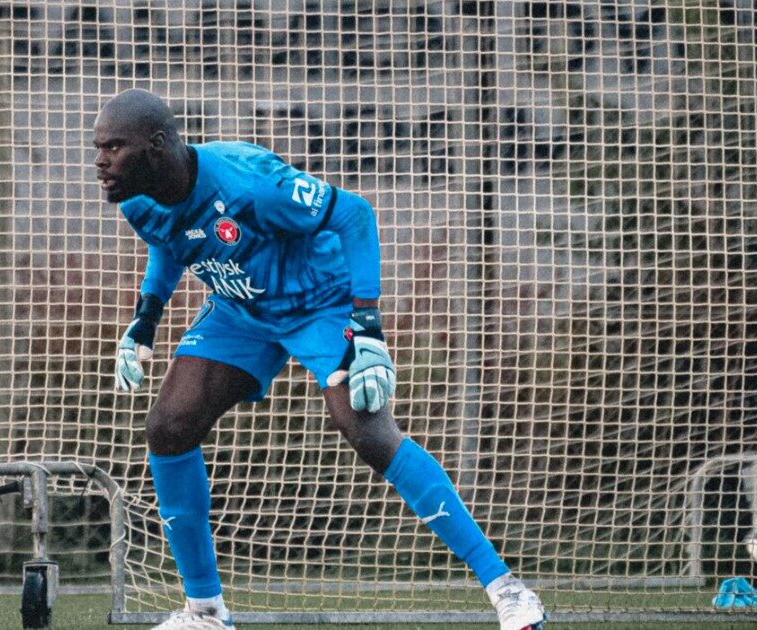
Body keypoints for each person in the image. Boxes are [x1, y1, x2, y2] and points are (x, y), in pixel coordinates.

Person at [92, 88, 546, 630]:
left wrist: (368, 329)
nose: (100, 161)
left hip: (319, 303)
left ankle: (508, 590)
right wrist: (145, 319)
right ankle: (206, 614)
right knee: (168, 426)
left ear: (157, 146)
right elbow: (172, 243)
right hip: (241, 312)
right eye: (98, 147)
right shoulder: (139, 200)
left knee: (368, 431)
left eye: (113, 147)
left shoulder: (252, 185)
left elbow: (355, 215)